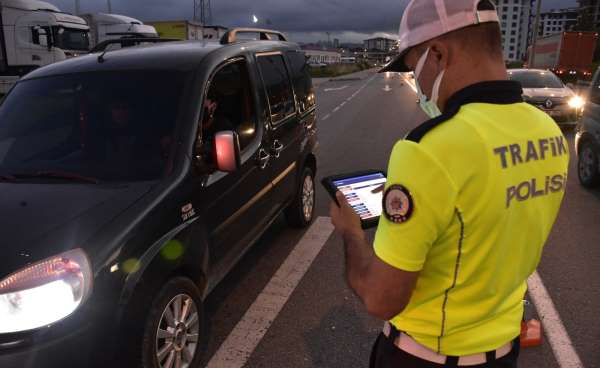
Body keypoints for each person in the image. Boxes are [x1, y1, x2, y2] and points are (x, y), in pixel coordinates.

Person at [329, 1, 570, 367]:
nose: (417, 84)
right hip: (503, 351)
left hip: (425, 357)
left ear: (438, 53)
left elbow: (381, 299)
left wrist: (350, 232)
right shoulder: (547, 131)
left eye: (413, 70)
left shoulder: (428, 150)